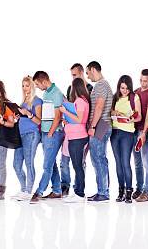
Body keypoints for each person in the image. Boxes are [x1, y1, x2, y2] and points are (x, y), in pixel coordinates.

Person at [30, 71, 65, 203]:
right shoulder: (46, 93)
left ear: (44, 81)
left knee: (46, 166)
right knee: (51, 163)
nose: (37, 87)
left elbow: (58, 117)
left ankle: (39, 191)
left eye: (37, 84)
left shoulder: (56, 93)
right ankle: (57, 190)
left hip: (54, 133)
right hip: (45, 133)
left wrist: (50, 133)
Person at [62, 63, 93, 195]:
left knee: (78, 166)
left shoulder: (80, 101)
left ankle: (79, 192)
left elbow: (80, 119)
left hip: (78, 137)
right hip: (74, 135)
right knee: (77, 165)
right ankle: (77, 191)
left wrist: (65, 111)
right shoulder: (80, 101)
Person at [109, 75, 141, 203]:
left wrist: (130, 119)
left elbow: (139, 116)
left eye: (127, 88)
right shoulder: (115, 97)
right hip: (114, 132)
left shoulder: (134, 97)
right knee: (118, 163)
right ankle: (120, 190)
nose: (124, 91)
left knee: (125, 162)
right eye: (122, 88)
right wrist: (115, 113)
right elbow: (110, 111)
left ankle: (129, 191)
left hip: (127, 133)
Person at [86, 61, 114, 203]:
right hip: (103, 124)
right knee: (98, 158)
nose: (87, 76)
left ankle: (103, 192)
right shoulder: (103, 84)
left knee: (98, 158)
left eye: (88, 72)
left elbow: (99, 106)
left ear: (93, 69)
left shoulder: (101, 85)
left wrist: (93, 126)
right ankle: (102, 190)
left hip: (101, 124)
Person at [12, 76, 42, 201]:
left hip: (31, 134)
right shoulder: (23, 102)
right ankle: (23, 189)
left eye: (27, 85)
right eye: (23, 85)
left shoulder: (37, 101)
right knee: (16, 164)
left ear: (32, 86)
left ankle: (29, 191)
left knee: (29, 163)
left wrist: (28, 114)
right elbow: (22, 117)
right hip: (21, 134)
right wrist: (18, 116)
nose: (25, 88)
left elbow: (39, 121)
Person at [133, 69, 148, 201]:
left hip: (144, 131)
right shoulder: (136, 91)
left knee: (146, 161)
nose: (143, 83)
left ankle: (147, 191)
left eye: (146, 81)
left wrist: (143, 133)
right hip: (134, 130)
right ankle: (139, 188)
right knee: (137, 162)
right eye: (141, 80)